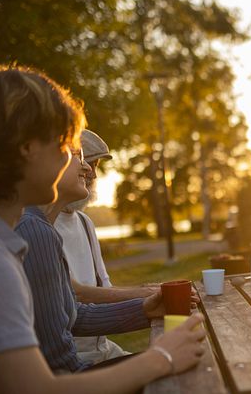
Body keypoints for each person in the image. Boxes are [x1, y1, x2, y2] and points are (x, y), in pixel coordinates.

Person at [0, 65, 205, 393]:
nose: (77, 163)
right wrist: (161, 357)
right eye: (63, 144)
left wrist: (143, 308)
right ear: (25, 146)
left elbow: (70, 316)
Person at [55, 129, 157, 365]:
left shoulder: (84, 222)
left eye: (96, 165)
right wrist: (146, 296)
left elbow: (105, 289)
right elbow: (76, 294)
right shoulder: (41, 224)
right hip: (77, 361)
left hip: (105, 349)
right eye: (86, 162)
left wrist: (154, 294)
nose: (91, 173)